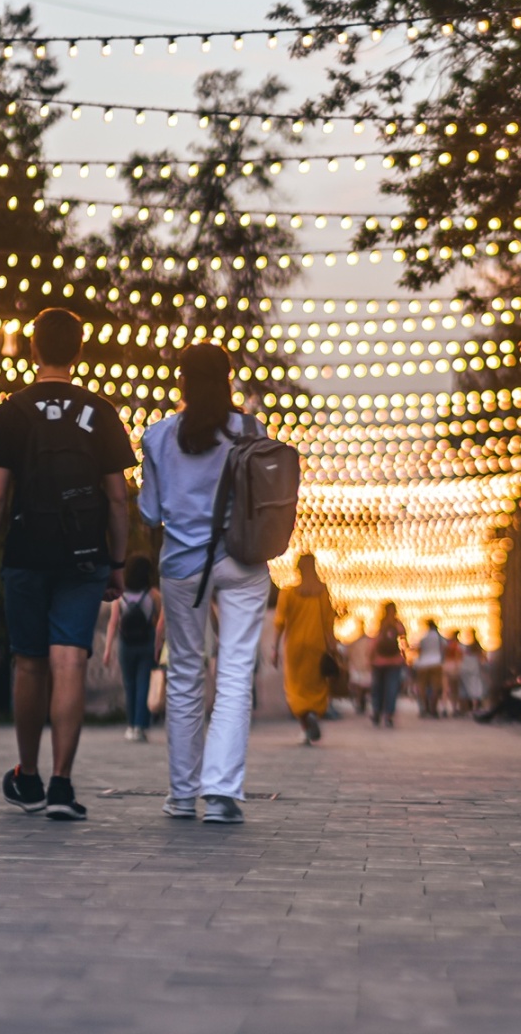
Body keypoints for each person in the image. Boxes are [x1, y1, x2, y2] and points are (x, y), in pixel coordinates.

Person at [0, 307, 136, 822]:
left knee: (29, 662)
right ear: (79, 350)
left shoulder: (12, 411)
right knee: (70, 661)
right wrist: (116, 561)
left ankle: (29, 776)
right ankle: (64, 785)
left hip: (26, 552)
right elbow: (117, 499)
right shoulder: (101, 412)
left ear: (32, 348)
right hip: (84, 554)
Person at [139, 342, 272, 824]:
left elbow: (150, 513)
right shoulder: (250, 430)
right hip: (243, 561)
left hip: (181, 567)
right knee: (236, 673)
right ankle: (220, 795)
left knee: (185, 675)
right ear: (229, 379)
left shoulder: (156, 437)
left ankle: (181, 794)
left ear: (182, 383)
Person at [272, 554, 337, 745]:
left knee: (295, 687)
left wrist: (275, 647)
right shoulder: (322, 591)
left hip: (294, 647)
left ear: (298, 568)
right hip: (317, 647)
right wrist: (332, 647)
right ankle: (313, 715)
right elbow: (328, 623)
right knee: (315, 686)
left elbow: (279, 622)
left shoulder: (288, 592)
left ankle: (305, 723)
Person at [103, 552, 162, 743]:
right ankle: (140, 727)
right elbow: (161, 621)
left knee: (129, 685)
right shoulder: (153, 595)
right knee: (143, 684)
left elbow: (113, 623)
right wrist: (159, 644)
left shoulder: (121, 596)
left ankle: (130, 726)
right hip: (147, 643)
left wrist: (107, 650)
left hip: (126, 644)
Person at [370, 601, 406, 727]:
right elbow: (403, 641)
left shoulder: (379, 624)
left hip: (379, 661)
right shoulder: (397, 624)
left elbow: (374, 641)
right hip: (394, 661)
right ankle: (388, 714)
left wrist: (371, 657)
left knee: (378, 688)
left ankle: (377, 711)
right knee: (391, 689)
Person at [414, 618, 444, 718]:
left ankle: (425, 707)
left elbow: (420, 650)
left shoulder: (424, 637)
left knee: (422, 687)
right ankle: (433, 708)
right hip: (436, 662)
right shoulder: (439, 637)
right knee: (435, 687)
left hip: (423, 664)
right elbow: (444, 648)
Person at [345, 618, 374, 715]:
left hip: (364, 666)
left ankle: (361, 702)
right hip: (360, 666)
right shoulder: (356, 642)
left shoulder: (363, 642)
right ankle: (360, 702)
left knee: (363, 686)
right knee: (360, 686)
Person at [459, 630, 487, 712]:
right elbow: (482, 658)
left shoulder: (466, 648)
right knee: (475, 688)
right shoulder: (477, 646)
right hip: (475, 669)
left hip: (466, 669)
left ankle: (467, 708)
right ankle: (475, 707)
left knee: (467, 688)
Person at [441, 629, 463, 716]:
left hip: (446, 665)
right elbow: (459, 658)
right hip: (454, 667)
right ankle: (454, 708)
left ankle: (444, 708)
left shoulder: (447, 645)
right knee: (454, 690)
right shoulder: (457, 646)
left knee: (445, 689)